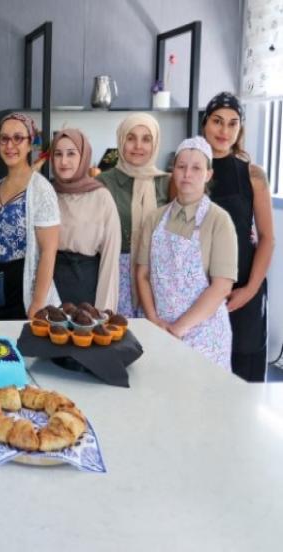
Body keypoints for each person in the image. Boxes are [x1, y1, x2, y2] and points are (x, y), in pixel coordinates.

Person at [135, 137, 238, 369]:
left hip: (204, 334)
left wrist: (179, 328)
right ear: (173, 171)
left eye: (196, 168)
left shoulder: (219, 221)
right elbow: (142, 274)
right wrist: (154, 321)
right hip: (159, 329)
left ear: (208, 174)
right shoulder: (155, 218)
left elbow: (222, 286)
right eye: (181, 167)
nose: (187, 174)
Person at [202, 92, 275, 382]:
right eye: (218, 121)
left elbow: (267, 238)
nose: (224, 131)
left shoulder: (253, 175)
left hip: (243, 288)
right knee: (204, 375)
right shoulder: (188, 169)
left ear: (240, 129)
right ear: (205, 123)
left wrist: (249, 290)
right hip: (201, 291)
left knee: (244, 378)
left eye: (233, 124)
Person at [0, 113, 60, 320]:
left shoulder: (41, 189)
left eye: (18, 138)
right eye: (4, 138)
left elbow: (49, 251)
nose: (10, 145)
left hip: (23, 288)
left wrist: (37, 304)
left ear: (30, 144)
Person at [96, 113, 171, 317]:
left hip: (158, 275)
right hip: (117, 274)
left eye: (146, 139)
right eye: (131, 138)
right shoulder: (103, 182)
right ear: (121, 140)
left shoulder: (167, 182)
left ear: (155, 143)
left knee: (156, 342)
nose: (138, 146)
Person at [50, 129, 121, 311]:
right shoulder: (47, 194)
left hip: (86, 290)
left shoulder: (101, 197)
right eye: (58, 154)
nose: (64, 161)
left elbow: (110, 260)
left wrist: (104, 312)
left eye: (71, 154)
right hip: (50, 288)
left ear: (84, 157)